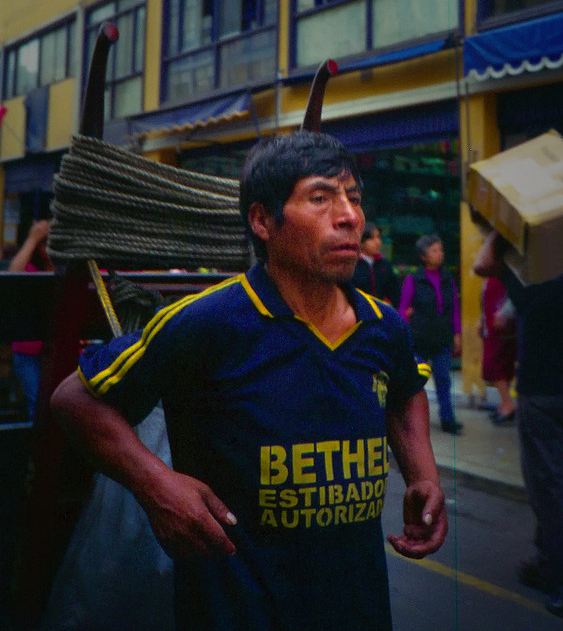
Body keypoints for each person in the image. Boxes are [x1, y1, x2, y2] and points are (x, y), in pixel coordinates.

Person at [50, 131, 448, 631]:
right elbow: (74, 401)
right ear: (262, 220)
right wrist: (157, 486)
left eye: (355, 198)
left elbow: (406, 394)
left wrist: (423, 476)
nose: (350, 216)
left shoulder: (384, 326)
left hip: (359, 606)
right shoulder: (208, 323)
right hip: (236, 611)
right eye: (321, 198)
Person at [473, 229, 563, 628]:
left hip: (542, 393)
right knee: (556, 483)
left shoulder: (532, 272)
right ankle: (547, 562)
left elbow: (481, 263)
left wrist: (503, 228)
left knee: (551, 490)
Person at [399, 234, 463, 435]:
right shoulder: (414, 279)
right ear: (423, 256)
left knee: (444, 378)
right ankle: (409, 418)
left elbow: (454, 309)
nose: (440, 254)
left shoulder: (447, 279)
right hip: (419, 338)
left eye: (441, 250)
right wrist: (404, 335)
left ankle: (447, 418)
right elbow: (403, 309)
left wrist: (457, 334)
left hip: (442, 337)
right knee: (416, 380)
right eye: (434, 250)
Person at [8, 219, 54, 422]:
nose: (49, 247)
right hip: (28, 351)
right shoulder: (30, 267)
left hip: (60, 349)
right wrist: (33, 237)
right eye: (44, 243)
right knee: (38, 407)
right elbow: (13, 277)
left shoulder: (68, 267)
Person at [477, 276, 517, 424]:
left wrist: (504, 314)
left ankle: (508, 404)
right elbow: (483, 301)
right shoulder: (490, 278)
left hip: (503, 329)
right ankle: (504, 404)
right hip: (492, 328)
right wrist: (481, 320)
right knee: (497, 366)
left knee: (497, 365)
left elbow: (516, 295)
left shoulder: (509, 275)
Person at [351, 221, 400, 306]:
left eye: (378, 237)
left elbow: (395, 293)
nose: (377, 242)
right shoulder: (352, 264)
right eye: (371, 238)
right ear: (361, 241)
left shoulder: (385, 265)